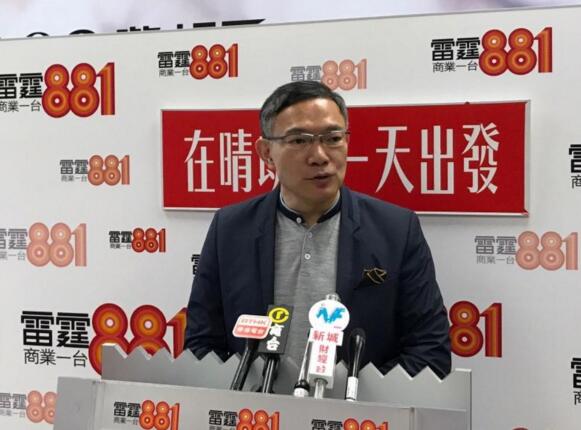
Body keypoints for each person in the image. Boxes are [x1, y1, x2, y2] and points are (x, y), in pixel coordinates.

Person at [185, 81, 451, 378]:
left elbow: (430, 349)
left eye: (333, 138)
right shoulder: (230, 229)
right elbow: (201, 345)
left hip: (359, 406)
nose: (320, 156)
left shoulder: (396, 230)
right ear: (266, 152)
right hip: (255, 405)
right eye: (300, 140)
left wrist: (353, 393)